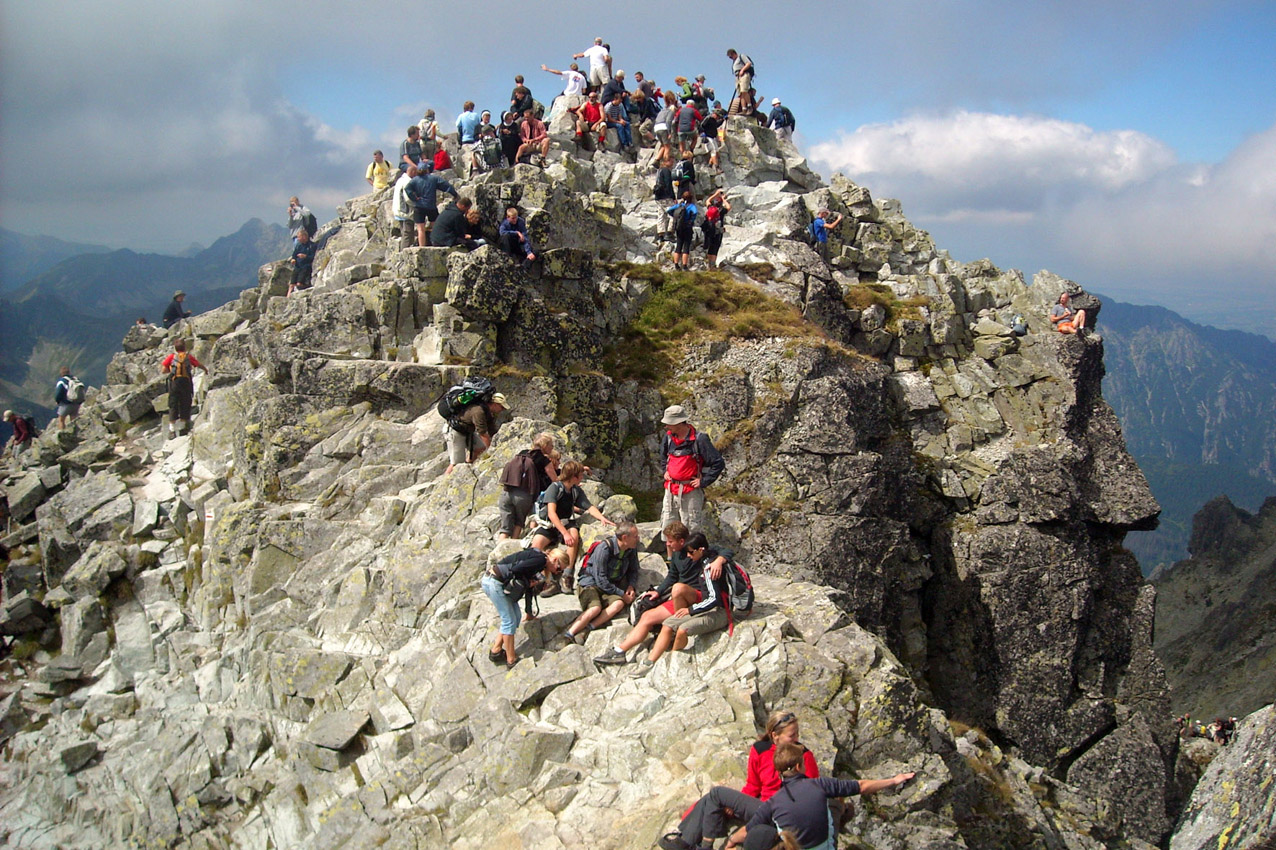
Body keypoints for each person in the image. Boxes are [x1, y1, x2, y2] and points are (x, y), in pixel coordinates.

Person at [658, 711, 821, 850]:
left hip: (780, 813)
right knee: (713, 799)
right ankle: (687, 840)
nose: (797, 738)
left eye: (797, 734)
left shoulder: (804, 756)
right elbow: (753, 785)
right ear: (775, 736)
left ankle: (693, 843)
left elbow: (813, 794)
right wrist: (734, 804)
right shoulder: (760, 749)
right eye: (792, 735)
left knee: (716, 794)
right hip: (761, 807)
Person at [725, 743, 915, 850]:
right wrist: (894, 780)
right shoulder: (820, 785)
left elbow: (749, 830)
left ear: (778, 773)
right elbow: (862, 786)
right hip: (826, 847)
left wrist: (732, 841)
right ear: (800, 766)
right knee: (835, 803)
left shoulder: (773, 803)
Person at [595, 528, 731, 665]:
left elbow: (727, 551)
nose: (667, 544)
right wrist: (658, 591)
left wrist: (719, 561)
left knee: (678, 589)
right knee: (647, 617)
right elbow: (672, 576)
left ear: (682, 541)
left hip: (698, 596)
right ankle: (619, 651)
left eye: (670, 541)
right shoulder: (678, 555)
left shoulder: (697, 549)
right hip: (680, 597)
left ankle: (673, 628)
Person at [641, 534, 732, 669]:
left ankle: (673, 661)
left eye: (690, 552)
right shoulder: (703, 559)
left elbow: (713, 599)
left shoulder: (709, 568)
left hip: (721, 611)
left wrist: (690, 610)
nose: (688, 555)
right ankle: (650, 661)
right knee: (668, 623)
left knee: (682, 629)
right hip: (705, 607)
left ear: (701, 550)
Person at [530, 459, 615, 591]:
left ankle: (567, 575)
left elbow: (589, 507)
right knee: (536, 545)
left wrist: (602, 518)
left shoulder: (576, 491)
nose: (582, 478)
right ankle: (546, 579)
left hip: (565, 521)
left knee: (574, 536)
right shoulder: (554, 488)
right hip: (550, 524)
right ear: (574, 476)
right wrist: (564, 533)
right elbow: (551, 513)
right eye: (580, 475)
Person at [482, 546, 571, 668]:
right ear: (555, 560)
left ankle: (496, 651)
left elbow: (529, 589)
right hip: (494, 582)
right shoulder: (540, 560)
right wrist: (527, 582)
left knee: (516, 617)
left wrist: (529, 613)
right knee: (508, 620)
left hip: (495, 581)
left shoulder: (540, 561)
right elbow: (516, 570)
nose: (557, 572)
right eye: (559, 568)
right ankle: (511, 659)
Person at [559, 522, 640, 645]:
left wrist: (631, 586)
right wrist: (621, 593)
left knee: (618, 604)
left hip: (609, 587)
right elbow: (600, 579)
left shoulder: (631, 550)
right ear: (625, 538)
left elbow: (633, 570)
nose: (638, 539)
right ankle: (569, 634)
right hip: (590, 584)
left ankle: (588, 628)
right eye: (635, 536)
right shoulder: (604, 549)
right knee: (595, 608)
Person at [659, 404, 725, 530]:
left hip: (690, 492)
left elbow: (718, 462)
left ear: (679, 423)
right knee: (668, 527)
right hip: (670, 489)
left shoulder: (700, 439)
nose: (666, 426)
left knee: (690, 528)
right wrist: (665, 471)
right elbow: (663, 457)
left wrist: (703, 481)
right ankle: (670, 550)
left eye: (669, 423)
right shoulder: (668, 438)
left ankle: (689, 550)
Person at [496, 432, 558, 540]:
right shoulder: (543, 460)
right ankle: (512, 545)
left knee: (505, 526)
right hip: (524, 495)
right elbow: (555, 480)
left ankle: (500, 548)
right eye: (551, 445)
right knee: (519, 522)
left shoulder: (522, 453)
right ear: (544, 445)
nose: (552, 447)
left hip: (507, 491)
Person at [444, 389, 506, 474]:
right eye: (501, 407)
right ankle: (446, 481)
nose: (502, 410)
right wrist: (491, 452)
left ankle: (468, 466)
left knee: (480, 448)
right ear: (495, 404)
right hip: (455, 431)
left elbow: (492, 430)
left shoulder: (487, 412)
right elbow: (483, 433)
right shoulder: (479, 411)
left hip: (467, 431)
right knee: (456, 464)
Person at [161, 337, 207, 439]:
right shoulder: (188, 357)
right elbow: (198, 364)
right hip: (186, 382)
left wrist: (172, 371)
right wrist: (205, 370)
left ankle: (172, 430)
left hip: (174, 383)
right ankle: (184, 427)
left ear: (175, 348)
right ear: (184, 347)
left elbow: (163, 370)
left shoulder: (172, 357)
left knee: (173, 404)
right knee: (185, 402)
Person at [406, 167, 459, 248]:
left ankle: (421, 247)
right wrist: (454, 194)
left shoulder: (414, 180)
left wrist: (414, 198)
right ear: (427, 170)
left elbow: (407, 189)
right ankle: (436, 243)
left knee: (421, 229)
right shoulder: (433, 178)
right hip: (431, 206)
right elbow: (446, 185)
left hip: (419, 206)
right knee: (435, 226)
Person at [667, 192, 699, 272]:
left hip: (679, 228)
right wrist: (690, 220)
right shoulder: (692, 206)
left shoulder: (679, 205)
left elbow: (669, 210)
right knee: (686, 246)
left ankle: (676, 264)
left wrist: (675, 217)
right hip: (687, 228)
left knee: (679, 245)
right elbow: (695, 213)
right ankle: (684, 266)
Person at [701, 188, 731, 270]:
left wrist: (715, 194)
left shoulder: (710, 208)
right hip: (718, 231)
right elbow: (729, 207)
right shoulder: (721, 210)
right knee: (715, 248)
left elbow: (707, 201)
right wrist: (724, 199)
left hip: (709, 230)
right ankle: (712, 266)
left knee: (710, 246)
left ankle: (708, 264)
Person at [392, 165, 417, 249]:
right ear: (413, 172)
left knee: (404, 233)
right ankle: (404, 253)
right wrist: (416, 204)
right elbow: (408, 198)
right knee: (408, 234)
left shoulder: (400, 180)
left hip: (398, 210)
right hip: (405, 211)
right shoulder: (408, 182)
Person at [654, 156, 677, 244]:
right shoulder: (666, 171)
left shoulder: (659, 171)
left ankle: (661, 234)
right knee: (673, 213)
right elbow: (668, 185)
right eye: (671, 161)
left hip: (658, 196)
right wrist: (673, 197)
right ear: (666, 161)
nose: (672, 163)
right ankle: (669, 233)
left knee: (661, 214)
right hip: (666, 196)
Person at [287, 228, 318, 295]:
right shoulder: (299, 246)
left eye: (299, 237)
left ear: (304, 236)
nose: (298, 239)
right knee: (291, 284)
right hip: (298, 266)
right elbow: (294, 254)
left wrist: (305, 256)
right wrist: (293, 259)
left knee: (299, 283)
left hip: (305, 267)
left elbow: (314, 257)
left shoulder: (312, 246)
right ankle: (288, 297)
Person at [726, 49, 755, 115]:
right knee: (740, 94)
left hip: (744, 74)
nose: (731, 58)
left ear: (734, 53)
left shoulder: (741, 56)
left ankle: (749, 106)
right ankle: (744, 109)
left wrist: (742, 70)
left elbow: (749, 63)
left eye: (731, 56)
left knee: (744, 91)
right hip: (737, 76)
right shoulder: (734, 62)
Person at [654, 91, 678, 164]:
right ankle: (665, 164)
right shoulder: (671, 110)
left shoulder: (663, 110)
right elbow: (668, 121)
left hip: (656, 127)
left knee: (663, 145)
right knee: (668, 147)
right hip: (663, 128)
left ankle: (656, 160)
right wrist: (669, 132)